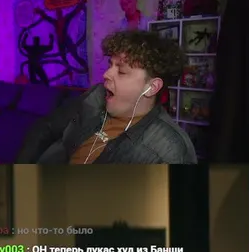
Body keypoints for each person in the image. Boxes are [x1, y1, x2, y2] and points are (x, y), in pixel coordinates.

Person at [15, 30, 196, 164]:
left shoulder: (168, 151)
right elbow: (47, 127)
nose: (106, 74)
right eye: (110, 65)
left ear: (151, 87)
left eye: (122, 71)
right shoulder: (96, 96)